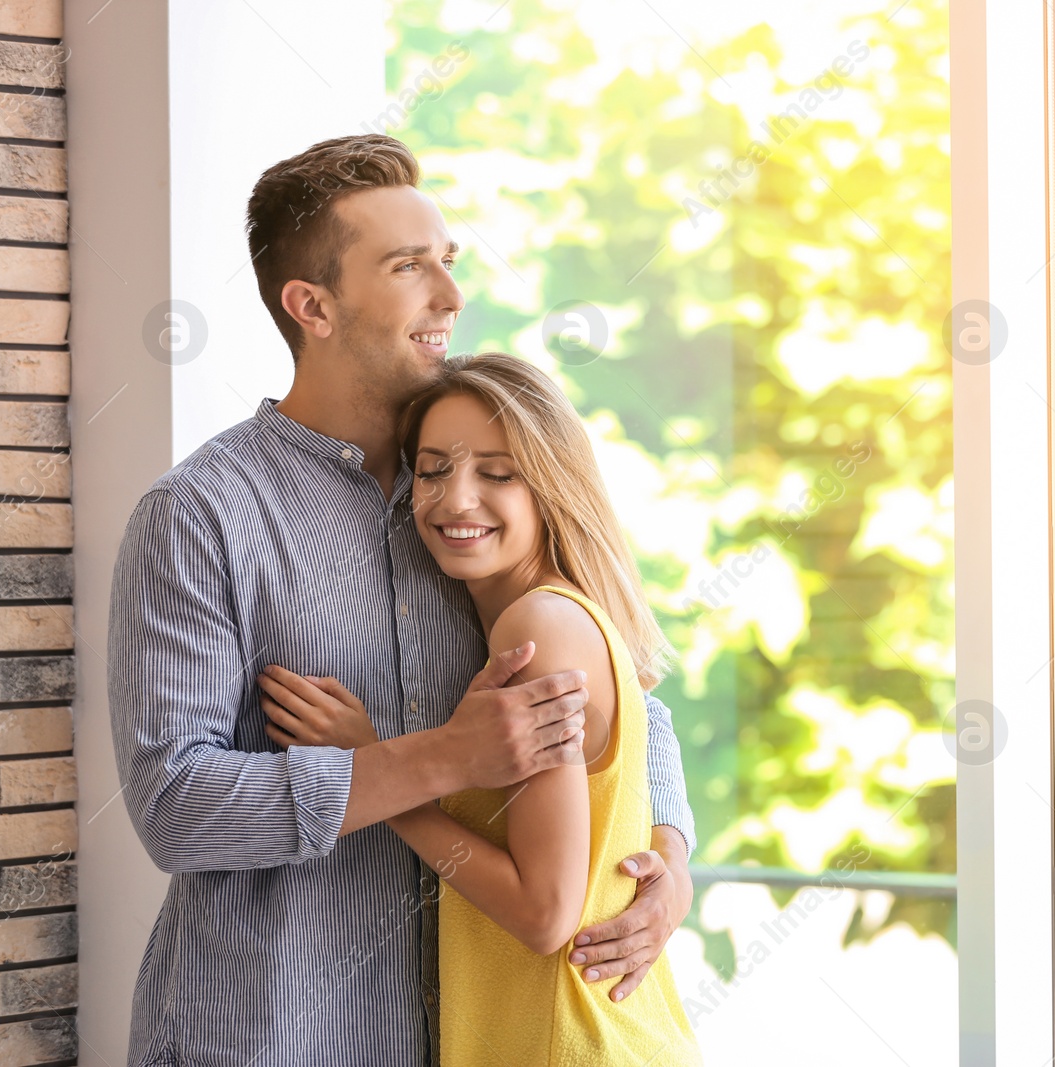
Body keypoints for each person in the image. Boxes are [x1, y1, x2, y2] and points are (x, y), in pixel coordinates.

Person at [107, 134, 696, 1066]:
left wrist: (665, 862)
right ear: (314, 306)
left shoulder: (470, 510)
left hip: (469, 1032)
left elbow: (626, 704)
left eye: (448, 265)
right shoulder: (200, 516)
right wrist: (433, 760)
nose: (452, 298)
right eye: (409, 267)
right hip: (270, 1034)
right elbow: (176, 805)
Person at [260, 352, 702, 1065]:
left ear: (551, 487)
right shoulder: (553, 619)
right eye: (433, 470)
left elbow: (544, 913)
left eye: (497, 473)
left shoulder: (540, 631)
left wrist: (381, 774)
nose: (455, 499)